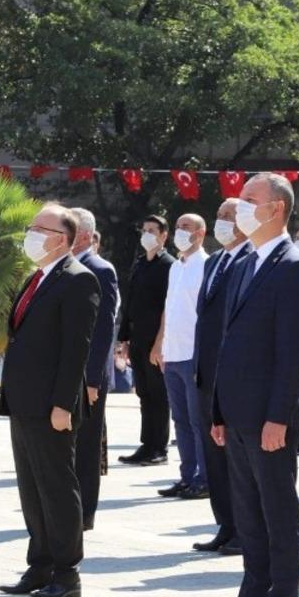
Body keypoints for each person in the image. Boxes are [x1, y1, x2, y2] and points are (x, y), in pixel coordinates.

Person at [199, 173, 299, 597]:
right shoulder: (244, 262)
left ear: (277, 209)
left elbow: (294, 353)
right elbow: (227, 343)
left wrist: (278, 417)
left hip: (271, 418)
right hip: (238, 413)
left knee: (278, 518)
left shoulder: (295, 267)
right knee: (249, 518)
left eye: (250, 199)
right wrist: (218, 411)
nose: (239, 206)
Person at [0, 203, 99, 597]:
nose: (31, 234)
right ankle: (39, 564)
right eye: (32, 227)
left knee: (56, 487)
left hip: (51, 405)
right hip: (24, 400)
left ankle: (66, 572)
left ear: (62, 239)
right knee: (32, 489)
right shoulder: (36, 277)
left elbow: (77, 349)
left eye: (41, 229)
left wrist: (63, 405)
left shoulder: (78, 279)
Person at [192, 198, 253, 554]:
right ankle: (226, 525)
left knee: (236, 459)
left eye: (231, 216)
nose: (223, 222)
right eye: (219, 215)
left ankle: (245, 531)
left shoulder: (251, 260)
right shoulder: (214, 261)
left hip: (232, 376)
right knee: (214, 456)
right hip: (206, 374)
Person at [153, 213, 210, 499]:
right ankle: (187, 476)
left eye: (186, 227)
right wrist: (160, 344)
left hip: (193, 354)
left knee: (198, 421)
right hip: (173, 353)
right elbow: (169, 307)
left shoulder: (207, 265)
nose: (180, 231)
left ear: (201, 233)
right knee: (181, 420)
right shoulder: (176, 266)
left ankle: (204, 478)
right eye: (177, 227)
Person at [70, 207, 120, 531]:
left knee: (86, 446)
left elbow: (103, 329)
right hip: (63, 372)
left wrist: (92, 379)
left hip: (87, 376)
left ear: (86, 235)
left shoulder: (100, 269)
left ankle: (84, 513)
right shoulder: (61, 267)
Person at [116, 215, 174, 466]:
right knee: (144, 394)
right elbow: (130, 303)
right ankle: (146, 444)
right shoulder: (140, 264)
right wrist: (124, 338)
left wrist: (160, 343)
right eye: (145, 229)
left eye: (152, 230)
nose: (147, 234)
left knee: (158, 394)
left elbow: (168, 308)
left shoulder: (169, 266)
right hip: (137, 339)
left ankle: (159, 447)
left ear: (164, 235)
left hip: (156, 340)